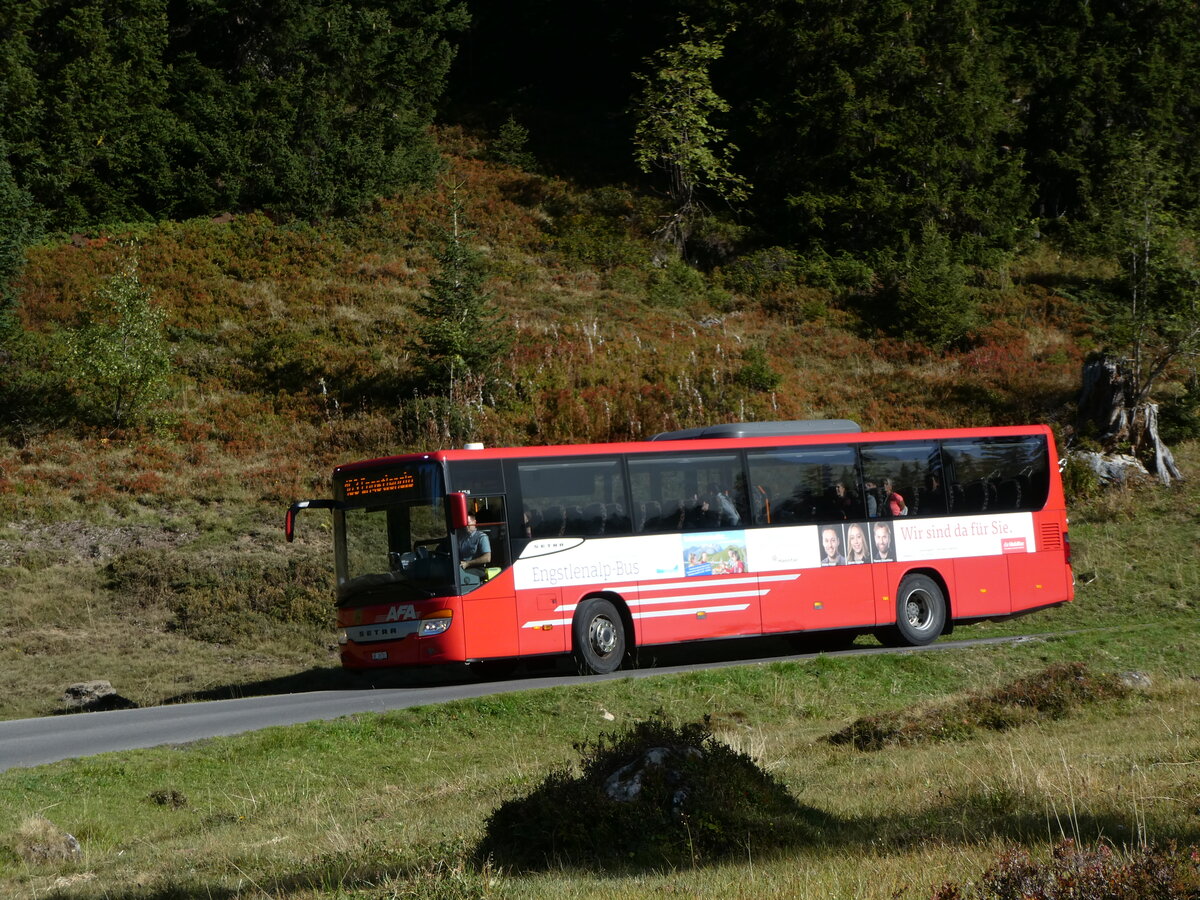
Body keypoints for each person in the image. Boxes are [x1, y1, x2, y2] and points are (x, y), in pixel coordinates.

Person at [458, 515, 491, 583]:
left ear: (474, 522)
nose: (466, 526)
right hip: (462, 567)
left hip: (478, 569)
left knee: (458, 577)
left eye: (468, 523)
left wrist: (468, 563)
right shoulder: (461, 538)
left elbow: (487, 558)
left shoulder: (482, 537)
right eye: (464, 524)